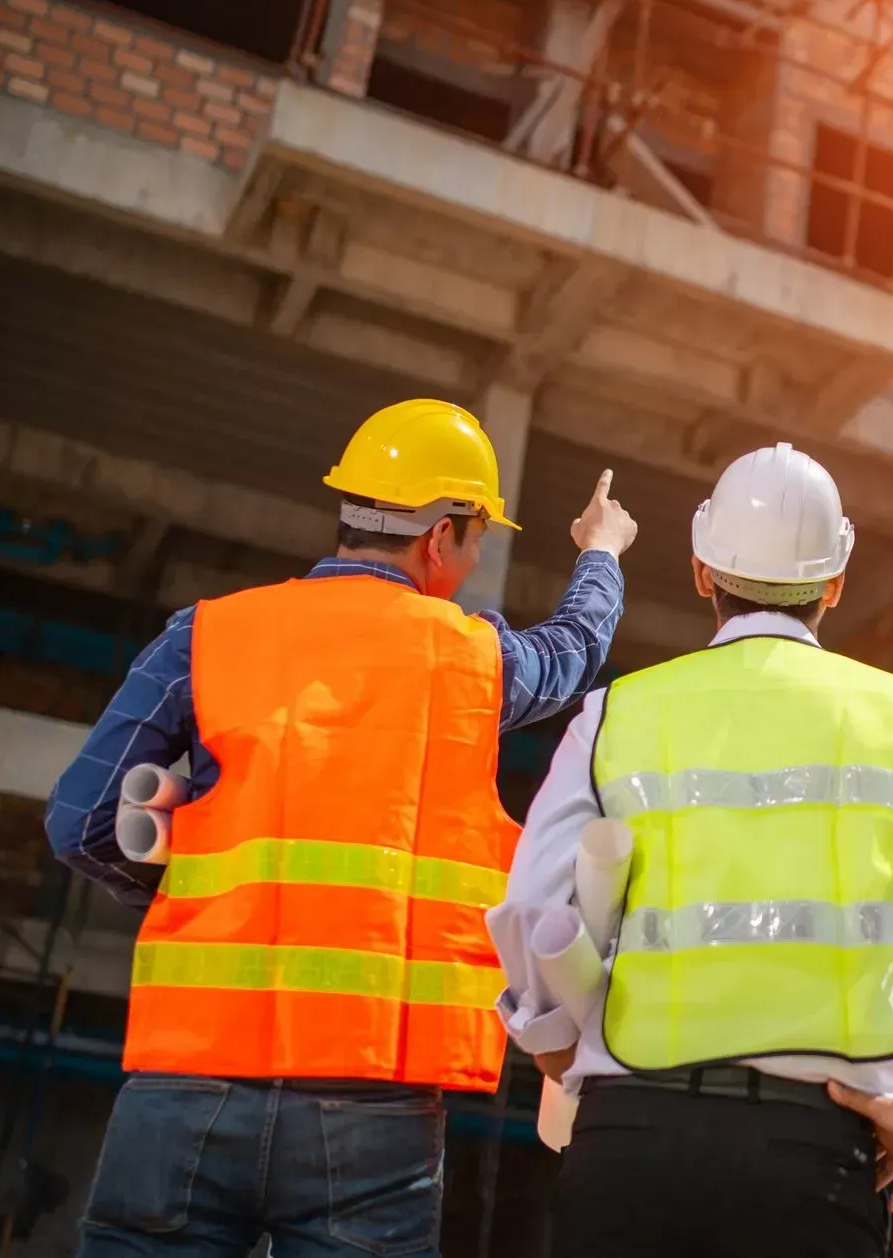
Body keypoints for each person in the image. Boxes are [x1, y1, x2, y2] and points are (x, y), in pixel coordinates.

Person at [43, 398, 638, 1257]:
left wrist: (200, 894)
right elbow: (576, 648)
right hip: (372, 1102)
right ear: (443, 538)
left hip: (186, 1082)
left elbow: (80, 821)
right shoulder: (474, 661)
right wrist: (600, 555)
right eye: (477, 542)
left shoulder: (204, 637)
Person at [490, 441, 893, 1258]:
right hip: (815, 1154)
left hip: (630, 1142)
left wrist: (563, 1056)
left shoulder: (616, 715)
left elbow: (531, 909)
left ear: (701, 570)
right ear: (835, 583)